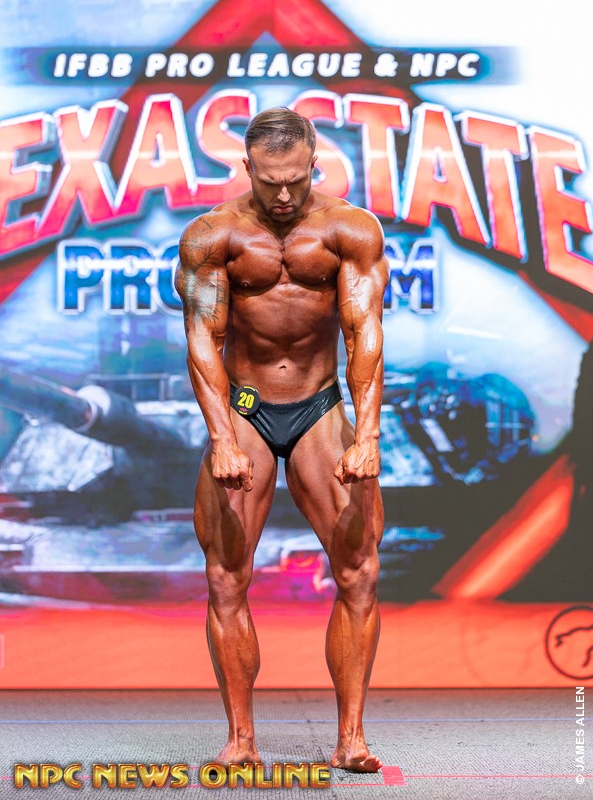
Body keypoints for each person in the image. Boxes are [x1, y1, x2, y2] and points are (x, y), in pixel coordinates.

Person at [176, 107, 389, 773]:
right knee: (225, 576)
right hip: (245, 407)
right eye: (271, 182)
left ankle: (351, 738)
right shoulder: (213, 236)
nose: (286, 194)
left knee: (359, 570)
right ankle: (241, 740)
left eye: (297, 179)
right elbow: (203, 340)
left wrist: (367, 434)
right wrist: (221, 438)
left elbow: (364, 332)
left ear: (314, 163)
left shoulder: (350, 230)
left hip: (320, 406)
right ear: (247, 168)